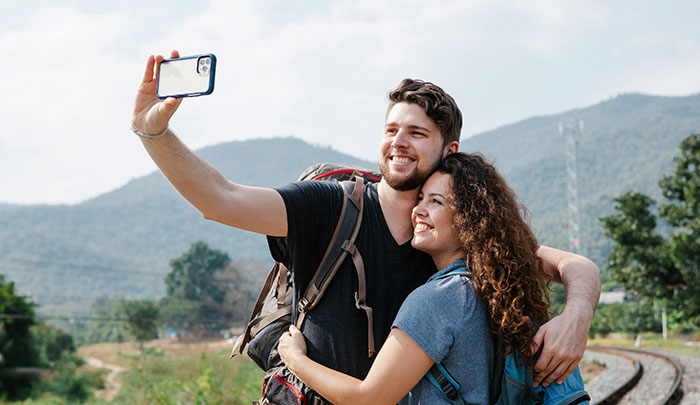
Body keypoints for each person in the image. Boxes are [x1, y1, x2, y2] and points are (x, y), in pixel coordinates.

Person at [130, 50, 600, 391]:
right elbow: (220, 199)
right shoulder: (328, 207)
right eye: (392, 129)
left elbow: (576, 267)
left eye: (417, 133)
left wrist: (575, 319)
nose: (399, 142)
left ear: (448, 151)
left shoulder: (452, 234)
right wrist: (153, 133)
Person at [278, 152, 586, 404]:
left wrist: (296, 360)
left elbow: (368, 399)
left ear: (470, 220)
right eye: (421, 198)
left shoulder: (438, 299)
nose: (418, 211)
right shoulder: (503, 291)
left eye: (435, 202)